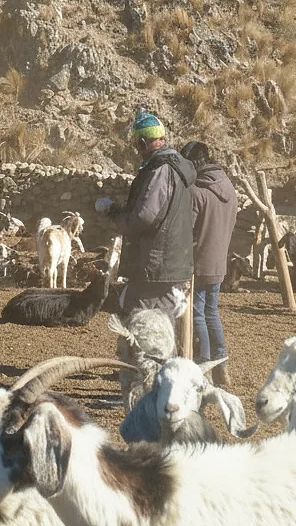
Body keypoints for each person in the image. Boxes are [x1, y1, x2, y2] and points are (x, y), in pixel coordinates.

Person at [97, 112, 196, 393]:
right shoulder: (177, 169)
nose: (136, 152)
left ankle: (144, 393)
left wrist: (112, 213)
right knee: (159, 329)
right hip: (168, 263)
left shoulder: (159, 170)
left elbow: (144, 217)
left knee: (141, 332)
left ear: (142, 143)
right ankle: (158, 390)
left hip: (155, 265)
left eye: (136, 146)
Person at [180, 141, 236, 388]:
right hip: (219, 261)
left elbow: (185, 230)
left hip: (199, 262)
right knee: (212, 312)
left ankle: (201, 364)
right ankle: (221, 363)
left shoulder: (196, 192)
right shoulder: (228, 188)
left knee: (198, 313)